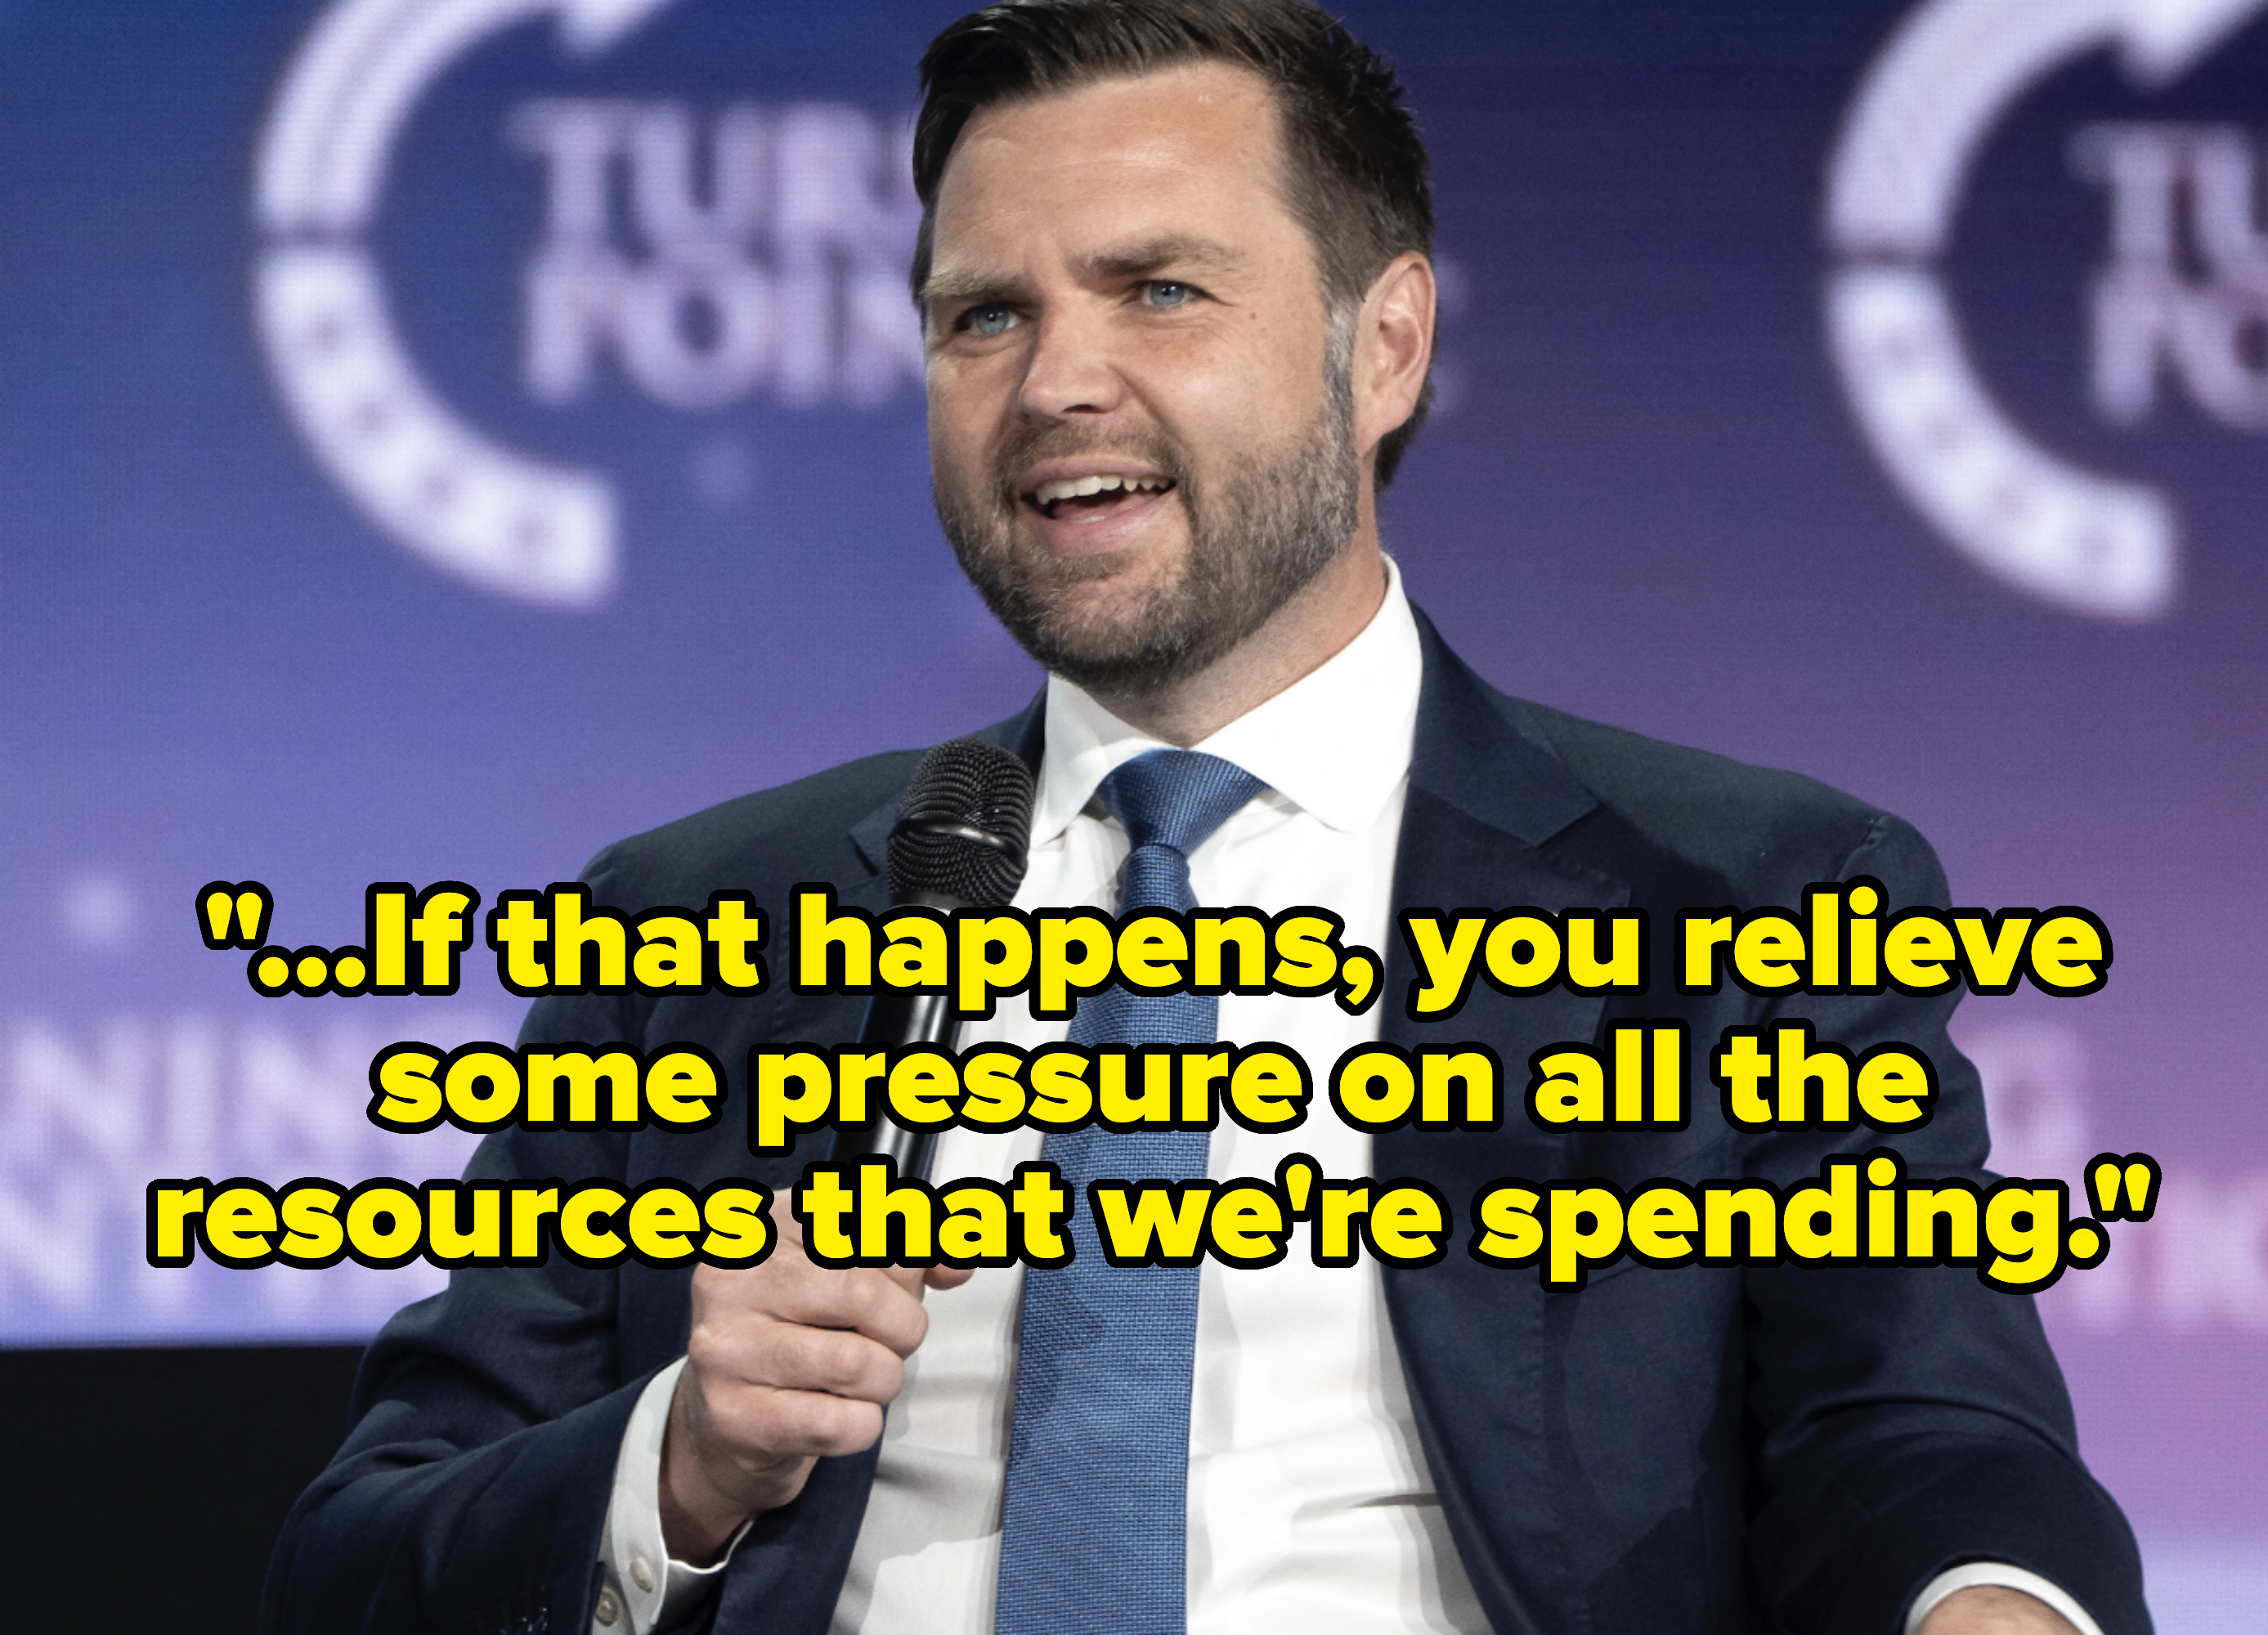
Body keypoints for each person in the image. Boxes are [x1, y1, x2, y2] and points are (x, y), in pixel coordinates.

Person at [263, 3, 2148, 1633]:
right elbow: (359, 1559)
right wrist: (673, 1461)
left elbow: (1915, 1429)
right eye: (983, 313)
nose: (1056, 382)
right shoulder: (704, 925)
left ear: (1383, 342)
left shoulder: (1743, 894)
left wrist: (1975, 1592)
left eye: (1159, 288)